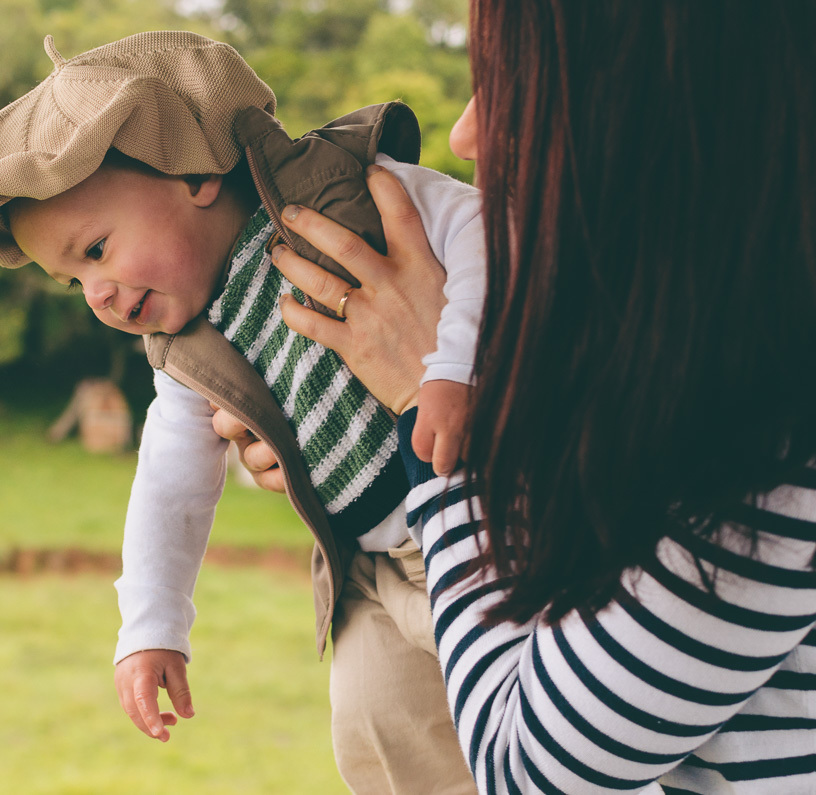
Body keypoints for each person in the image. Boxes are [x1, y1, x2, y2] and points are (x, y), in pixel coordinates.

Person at [217, 1, 816, 792]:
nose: (468, 135)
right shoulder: (715, 373)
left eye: (514, 84)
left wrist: (426, 402)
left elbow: (522, 764)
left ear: (666, 110)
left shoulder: (769, 454)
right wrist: (338, 427)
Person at [0, 31, 481, 793]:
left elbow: (486, 232)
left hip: (488, 523)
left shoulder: (344, 196)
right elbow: (169, 484)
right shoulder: (195, 346)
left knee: (534, 726)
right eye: (72, 282)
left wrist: (454, 364)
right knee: (376, 733)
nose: (96, 295)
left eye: (96, 250)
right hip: (371, 570)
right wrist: (150, 624)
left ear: (193, 173)